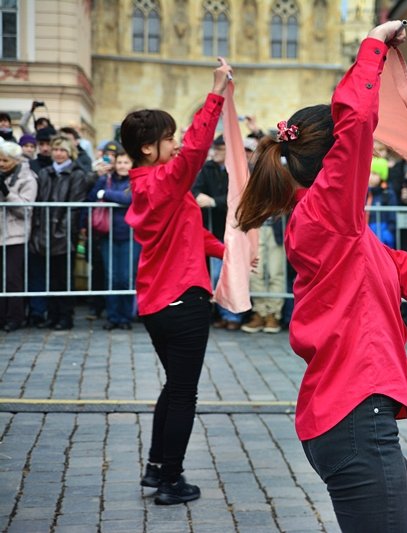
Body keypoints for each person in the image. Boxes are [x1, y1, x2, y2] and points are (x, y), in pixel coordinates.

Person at [236, 21, 407, 531]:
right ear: (331, 166)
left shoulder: (340, 227)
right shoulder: (325, 217)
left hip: (356, 421)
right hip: (354, 422)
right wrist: (373, 46)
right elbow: (357, 124)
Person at [119, 58, 232, 505]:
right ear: (148, 148)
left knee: (173, 386)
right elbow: (197, 149)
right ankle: (171, 481)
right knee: (184, 392)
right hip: (182, 302)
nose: (175, 144)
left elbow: (192, 233)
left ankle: (154, 469)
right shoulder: (162, 182)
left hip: (156, 304)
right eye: (167, 139)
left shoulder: (149, 186)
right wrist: (216, 93)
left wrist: (229, 253)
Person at [29, 135, 89, 330]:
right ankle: (52, 315)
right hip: (43, 231)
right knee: (49, 277)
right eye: (56, 150)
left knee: (63, 278)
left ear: (69, 152)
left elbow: (74, 206)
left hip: (63, 233)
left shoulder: (76, 174)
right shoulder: (45, 173)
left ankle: (65, 316)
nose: (58, 153)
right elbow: (39, 202)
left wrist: (64, 231)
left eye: (62, 150)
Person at [192, 135, 241, 330]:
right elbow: (194, 190)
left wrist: (214, 201)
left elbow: (239, 195)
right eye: (216, 148)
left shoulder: (236, 169)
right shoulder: (208, 168)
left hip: (233, 227)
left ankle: (233, 316)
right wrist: (200, 197)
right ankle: (221, 313)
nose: (217, 152)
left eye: (221, 148)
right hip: (213, 229)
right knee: (216, 275)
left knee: (231, 274)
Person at [88, 151, 138, 330]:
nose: (123, 165)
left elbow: (129, 198)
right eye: (120, 162)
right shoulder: (105, 180)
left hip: (130, 236)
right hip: (107, 235)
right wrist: (102, 190)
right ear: (114, 164)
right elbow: (93, 196)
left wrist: (105, 194)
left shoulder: (136, 180)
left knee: (126, 278)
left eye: (127, 162)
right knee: (111, 278)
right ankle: (113, 316)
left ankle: (125, 317)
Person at [0, 140, 37, 331]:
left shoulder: (27, 178)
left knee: (12, 278)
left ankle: (15, 316)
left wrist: (7, 192)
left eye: (4, 160)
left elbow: (25, 210)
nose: (1, 164)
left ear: (14, 160)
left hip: (15, 235)